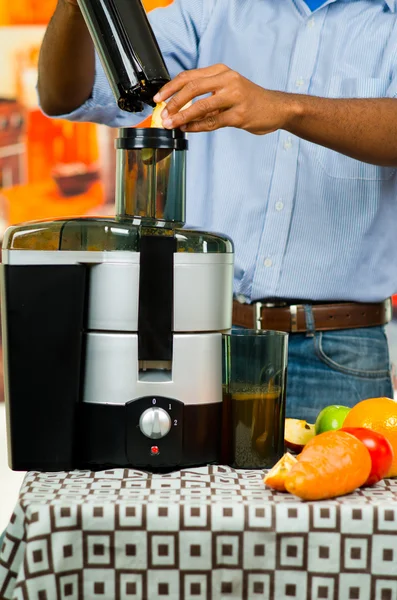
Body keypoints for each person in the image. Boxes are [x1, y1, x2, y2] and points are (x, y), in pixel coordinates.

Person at [37, 0, 397, 422]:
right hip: (207, 336)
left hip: (341, 351)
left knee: (344, 481)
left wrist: (284, 107)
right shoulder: (211, 10)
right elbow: (67, 97)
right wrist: (74, 6)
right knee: (187, 488)